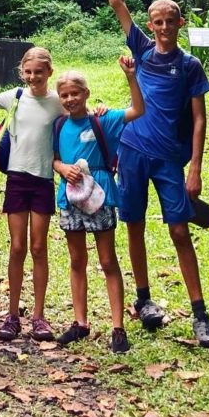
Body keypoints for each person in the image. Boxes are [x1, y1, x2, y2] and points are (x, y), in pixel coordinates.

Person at [79, 0, 209, 349]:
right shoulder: (139, 48)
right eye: (156, 22)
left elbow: (199, 120)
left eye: (168, 22)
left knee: (179, 231)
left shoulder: (190, 65)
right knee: (134, 226)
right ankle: (144, 301)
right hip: (133, 152)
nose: (161, 28)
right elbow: (118, 4)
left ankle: (200, 314)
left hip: (170, 159)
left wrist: (195, 167)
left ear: (179, 24)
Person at [52, 57, 145, 352]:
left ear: (86, 94)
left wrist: (131, 76)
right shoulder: (58, 126)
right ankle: (80, 322)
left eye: (75, 94)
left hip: (101, 194)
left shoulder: (102, 120)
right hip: (70, 197)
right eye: (64, 95)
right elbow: (53, 158)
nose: (70, 100)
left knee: (107, 261)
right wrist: (61, 168)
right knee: (77, 260)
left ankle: (118, 327)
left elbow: (138, 109)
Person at [0, 46, 62, 342]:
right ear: (22, 73)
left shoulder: (57, 101)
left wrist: (98, 109)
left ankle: (38, 316)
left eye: (39, 72)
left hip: (42, 180)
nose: (33, 77)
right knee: (16, 247)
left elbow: (82, 114)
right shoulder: (15, 96)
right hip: (17, 178)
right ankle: (12, 315)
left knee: (38, 248)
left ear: (49, 72)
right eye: (28, 72)